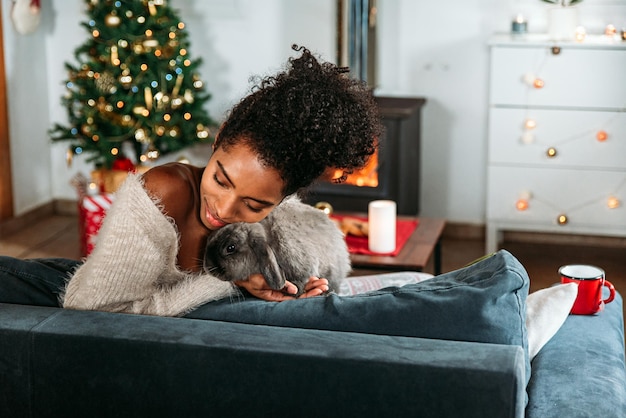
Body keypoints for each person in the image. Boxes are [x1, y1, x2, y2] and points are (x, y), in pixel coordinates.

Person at [0, 45, 382, 316]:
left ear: (283, 200)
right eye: (221, 178)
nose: (225, 209)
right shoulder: (163, 192)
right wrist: (225, 285)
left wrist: (281, 296)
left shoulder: (270, 219)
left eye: (255, 205)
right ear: (218, 140)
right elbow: (96, 310)